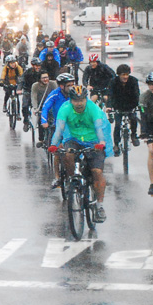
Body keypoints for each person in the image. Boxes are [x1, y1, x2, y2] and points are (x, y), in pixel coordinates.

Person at [47, 86, 109, 223]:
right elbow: (59, 130)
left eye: (82, 100)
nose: (79, 103)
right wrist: (53, 145)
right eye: (76, 100)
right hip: (74, 139)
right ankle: (71, 181)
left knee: (97, 172)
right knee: (67, 154)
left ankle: (99, 206)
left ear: (86, 99)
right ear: (71, 100)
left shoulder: (93, 109)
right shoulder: (65, 109)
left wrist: (101, 142)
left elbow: (99, 128)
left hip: (93, 141)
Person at [40, 72, 77, 186]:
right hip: (58, 126)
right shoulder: (54, 94)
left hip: (74, 125)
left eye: (72, 84)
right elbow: (45, 107)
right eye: (68, 85)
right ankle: (57, 177)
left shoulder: (76, 93)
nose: (71, 87)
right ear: (61, 86)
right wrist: (44, 121)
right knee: (57, 152)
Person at [103, 64, 141, 155]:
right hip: (118, 106)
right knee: (118, 124)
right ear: (119, 75)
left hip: (130, 105)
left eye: (127, 74)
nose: (125, 77)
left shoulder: (133, 81)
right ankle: (116, 144)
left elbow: (137, 94)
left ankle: (134, 135)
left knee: (133, 119)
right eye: (123, 75)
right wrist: (109, 106)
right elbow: (110, 95)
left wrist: (138, 105)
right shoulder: (113, 82)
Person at [20, 57, 43, 131]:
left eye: (39, 65)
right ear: (32, 65)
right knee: (25, 106)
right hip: (28, 91)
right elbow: (22, 80)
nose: (38, 67)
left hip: (38, 92)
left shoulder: (42, 72)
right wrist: (19, 89)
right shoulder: (27, 72)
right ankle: (26, 121)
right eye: (36, 65)